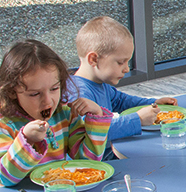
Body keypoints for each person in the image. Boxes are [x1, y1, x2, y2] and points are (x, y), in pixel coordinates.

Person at [0, 39, 112, 186]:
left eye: (54, 89)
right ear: (12, 91)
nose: (48, 101)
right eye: (34, 94)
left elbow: (88, 163)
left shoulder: (64, 115)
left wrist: (96, 117)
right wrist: (27, 140)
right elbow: (4, 178)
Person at [71, 16, 178, 160]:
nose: (127, 69)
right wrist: (138, 119)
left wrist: (154, 103)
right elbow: (94, 132)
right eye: (121, 62)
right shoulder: (79, 94)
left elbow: (121, 101)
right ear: (93, 59)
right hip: (96, 166)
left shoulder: (99, 84)